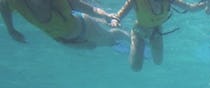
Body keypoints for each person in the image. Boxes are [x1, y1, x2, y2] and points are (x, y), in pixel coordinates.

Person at [110, 0, 206, 72]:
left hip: (156, 31)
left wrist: (204, 5)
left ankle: (144, 47)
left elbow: (190, 8)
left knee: (158, 61)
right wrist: (116, 19)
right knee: (135, 67)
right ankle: (127, 39)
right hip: (139, 30)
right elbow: (122, 11)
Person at [0, 0, 129, 48]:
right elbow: (4, 6)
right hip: (65, 40)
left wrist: (105, 15)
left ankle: (129, 36)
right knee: (92, 47)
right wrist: (11, 29)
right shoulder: (14, 2)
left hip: (83, 27)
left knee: (110, 40)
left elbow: (83, 6)